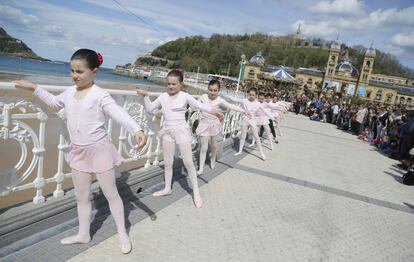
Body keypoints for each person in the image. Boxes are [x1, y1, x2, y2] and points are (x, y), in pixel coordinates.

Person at [13, 49, 146, 254]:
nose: (74, 75)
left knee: (111, 194)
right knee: (81, 196)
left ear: (94, 72)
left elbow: (117, 112)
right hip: (79, 151)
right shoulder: (69, 92)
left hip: (99, 150)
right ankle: (83, 234)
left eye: (80, 71)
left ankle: (122, 232)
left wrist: (136, 128)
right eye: (72, 70)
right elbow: (54, 102)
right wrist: (35, 88)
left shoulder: (100, 95)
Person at [136, 70, 223, 208]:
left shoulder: (185, 96)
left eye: (174, 84)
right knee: (168, 163)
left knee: (188, 162)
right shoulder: (163, 96)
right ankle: (167, 188)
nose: (170, 86)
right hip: (167, 131)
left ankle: (196, 192)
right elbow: (150, 109)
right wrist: (146, 96)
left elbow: (201, 106)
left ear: (180, 84)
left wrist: (214, 112)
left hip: (181, 130)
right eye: (168, 84)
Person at [195, 80, 249, 176]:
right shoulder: (203, 97)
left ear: (218, 91)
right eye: (210, 90)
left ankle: (213, 158)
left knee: (214, 145)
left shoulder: (219, 100)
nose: (212, 92)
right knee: (204, 147)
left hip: (214, 125)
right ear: (208, 89)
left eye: (215, 90)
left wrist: (243, 111)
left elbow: (231, 106)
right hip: (204, 124)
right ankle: (201, 168)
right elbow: (194, 104)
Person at [222, 87, 273, 160]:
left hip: (252, 120)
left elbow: (265, 111)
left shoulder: (258, 103)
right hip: (245, 119)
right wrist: (224, 95)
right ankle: (240, 151)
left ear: (256, 96)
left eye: (253, 95)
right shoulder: (245, 100)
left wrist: (272, 118)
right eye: (250, 94)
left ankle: (261, 153)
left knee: (256, 137)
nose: (251, 96)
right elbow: (234, 99)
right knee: (243, 136)